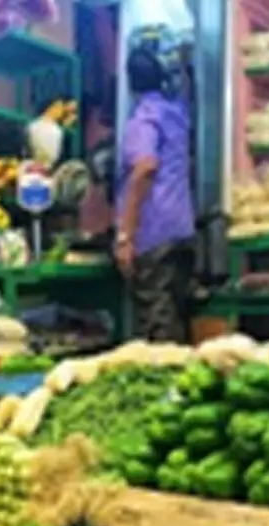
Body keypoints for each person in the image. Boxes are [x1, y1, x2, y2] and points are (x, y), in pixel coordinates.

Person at [115, 46, 195, 342]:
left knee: (156, 323)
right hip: (181, 228)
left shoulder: (142, 120)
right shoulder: (175, 112)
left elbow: (145, 167)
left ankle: (165, 383)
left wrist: (126, 235)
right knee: (177, 316)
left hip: (153, 233)